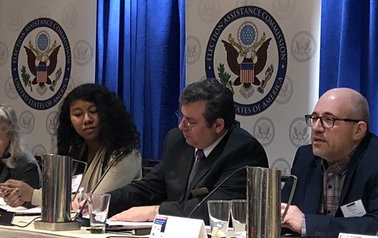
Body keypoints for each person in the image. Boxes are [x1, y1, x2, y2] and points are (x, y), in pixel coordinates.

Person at [108, 78, 267, 221]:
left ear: (218, 125)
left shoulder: (244, 151)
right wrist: (101, 202)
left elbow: (217, 209)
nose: (181, 126)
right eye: (181, 116)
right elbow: (149, 188)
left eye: (191, 121)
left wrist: (155, 211)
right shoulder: (177, 141)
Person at [280, 87, 378, 238]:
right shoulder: (306, 157)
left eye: (328, 120)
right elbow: (285, 213)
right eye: (314, 118)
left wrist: (307, 223)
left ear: (358, 130)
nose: (317, 128)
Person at [0, 83, 142, 208]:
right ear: (70, 121)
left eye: (93, 111)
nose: (87, 120)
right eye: (78, 114)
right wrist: (21, 198)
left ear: (108, 114)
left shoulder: (125, 153)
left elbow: (94, 202)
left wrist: (33, 195)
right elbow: (56, 194)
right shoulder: (76, 151)